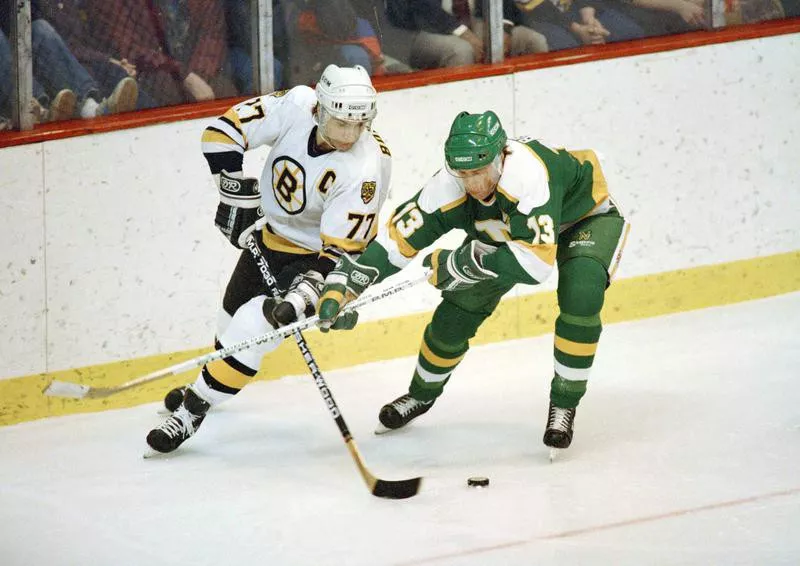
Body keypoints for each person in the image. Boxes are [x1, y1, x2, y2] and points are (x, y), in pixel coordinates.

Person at [317, 110, 630, 452]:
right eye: (464, 173)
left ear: (501, 156)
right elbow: (395, 243)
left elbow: (536, 264)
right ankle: (421, 395)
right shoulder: (447, 186)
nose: (475, 184)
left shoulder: (526, 176)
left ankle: (564, 404)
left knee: (581, 293)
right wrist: (348, 285)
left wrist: (463, 263)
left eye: (480, 171)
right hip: (512, 232)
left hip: (583, 217)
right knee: (457, 309)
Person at [146, 64, 392, 454]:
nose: (348, 135)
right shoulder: (295, 105)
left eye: (357, 126)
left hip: (322, 259)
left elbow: (341, 254)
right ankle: (209, 381)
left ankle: (192, 411)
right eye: (340, 123)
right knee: (227, 326)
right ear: (319, 109)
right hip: (267, 237)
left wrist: (300, 299)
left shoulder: (363, 169)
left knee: (251, 325)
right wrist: (233, 192)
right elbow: (220, 133)